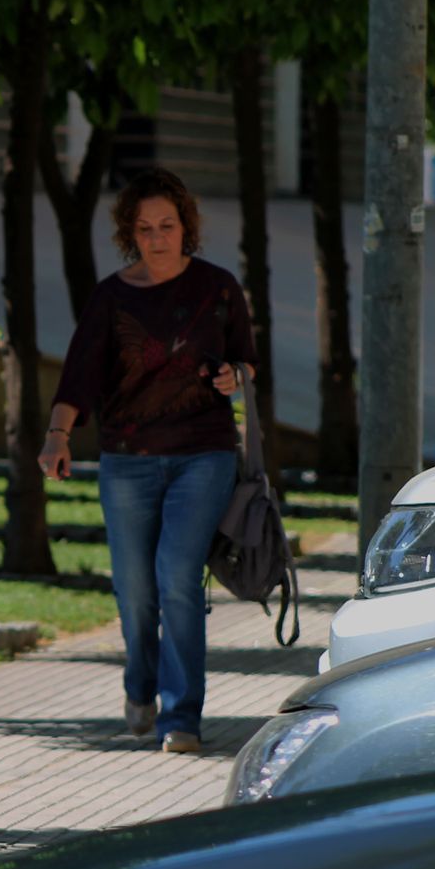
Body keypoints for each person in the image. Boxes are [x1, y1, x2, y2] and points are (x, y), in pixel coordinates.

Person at [37, 167, 258, 754]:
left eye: (168, 225)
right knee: (136, 588)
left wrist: (237, 376)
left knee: (177, 575)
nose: (158, 237)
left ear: (186, 226)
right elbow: (79, 374)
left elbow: (248, 361)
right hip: (128, 459)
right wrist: (58, 435)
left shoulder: (218, 288)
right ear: (129, 234)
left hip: (203, 454)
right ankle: (141, 684)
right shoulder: (111, 298)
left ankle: (181, 717)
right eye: (145, 228)